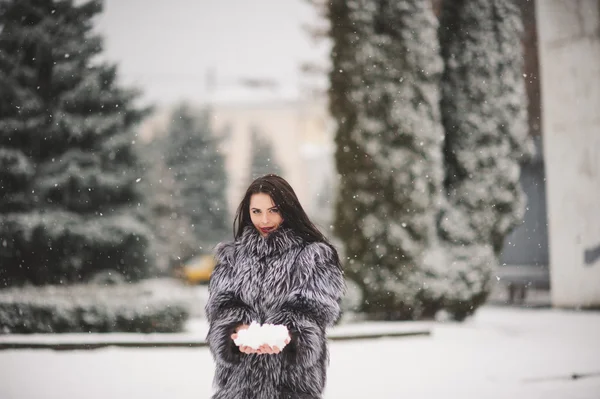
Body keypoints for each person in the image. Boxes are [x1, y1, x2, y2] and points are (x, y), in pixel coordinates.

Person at [205, 174, 345, 399]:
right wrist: (236, 331)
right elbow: (221, 308)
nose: (264, 220)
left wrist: (287, 335)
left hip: (293, 386)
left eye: (273, 210)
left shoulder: (312, 257)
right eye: (256, 211)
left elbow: (316, 312)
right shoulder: (232, 257)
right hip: (238, 387)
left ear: (288, 210)